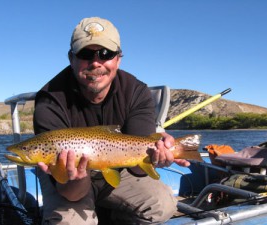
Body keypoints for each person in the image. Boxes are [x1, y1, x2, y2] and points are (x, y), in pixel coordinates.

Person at [33, 17, 190, 225]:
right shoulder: (50, 101)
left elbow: (137, 165)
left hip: (118, 168)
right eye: (86, 54)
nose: (96, 62)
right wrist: (79, 179)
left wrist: (160, 153)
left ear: (118, 59)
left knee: (162, 205)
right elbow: (72, 194)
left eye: (105, 54)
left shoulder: (136, 91)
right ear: (71, 58)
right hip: (71, 178)